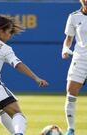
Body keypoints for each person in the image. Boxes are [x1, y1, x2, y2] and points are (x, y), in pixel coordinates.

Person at [62, 0, 87, 134]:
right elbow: (69, 38)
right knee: (71, 92)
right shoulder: (74, 16)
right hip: (80, 59)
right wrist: (65, 49)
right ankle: (70, 129)